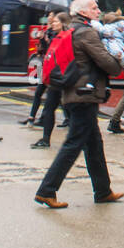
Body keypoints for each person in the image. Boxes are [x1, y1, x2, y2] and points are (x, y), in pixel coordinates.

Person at [34, 0, 123, 208]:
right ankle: (47, 190)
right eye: (94, 7)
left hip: (74, 93)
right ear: (83, 11)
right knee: (73, 144)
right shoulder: (87, 33)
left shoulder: (71, 30)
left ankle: (102, 190)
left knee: (94, 144)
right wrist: (119, 60)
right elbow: (106, 63)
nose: (98, 11)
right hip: (84, 95)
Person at [30, 12, 71, 147]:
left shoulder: (68, 37)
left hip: (62, 77)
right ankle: (45, 139)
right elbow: (47, 54)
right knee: (49, 108)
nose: (52, 24)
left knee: (69, 109)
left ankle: (76, 139)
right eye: (51, 22)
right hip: (53, 78)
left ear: (63, 23)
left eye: (55, 22)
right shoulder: (53, 36)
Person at [24, 12, 60, 126]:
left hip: (53, 68)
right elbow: (44, 49)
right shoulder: (47, 30)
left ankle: (64, 119)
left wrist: (46, 39)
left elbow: (53, 49)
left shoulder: (57, 33)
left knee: (55, 97)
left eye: (52, 16)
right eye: (49, 15)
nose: (49, 17)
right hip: (45, 66)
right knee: (39, 92)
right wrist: (42, 39)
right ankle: (32, 117)